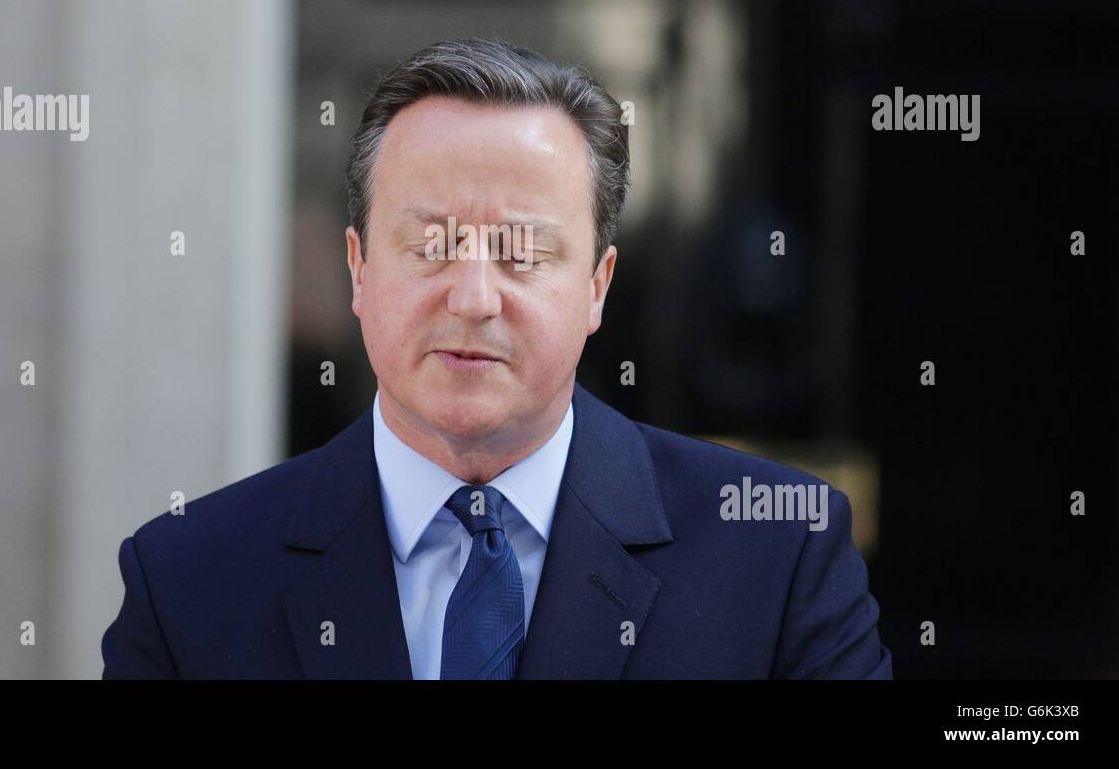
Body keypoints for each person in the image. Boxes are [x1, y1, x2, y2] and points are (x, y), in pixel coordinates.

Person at [101, 37, 893, 679]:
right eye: (431, 246)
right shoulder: (188, 581)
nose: (474, 296)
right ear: (359, 270)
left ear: (596, 284)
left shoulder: (776, 558)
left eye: (522, 251)